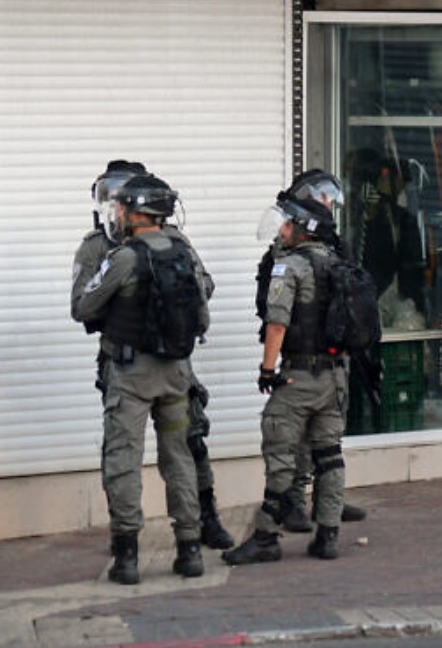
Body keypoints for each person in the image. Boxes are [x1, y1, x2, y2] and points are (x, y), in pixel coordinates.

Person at [72, 161, 233, 551]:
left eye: (121, 198)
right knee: (130, 450)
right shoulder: (96, 246)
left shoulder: (173, 240)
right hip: (125, 356)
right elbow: (81, 302)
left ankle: (205, 519)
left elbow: (205, 286)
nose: (116, 207)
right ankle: (167, 540)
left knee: (189, 443)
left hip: (168, 357)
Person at [224, 196, 348, 565]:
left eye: (289, 224)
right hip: (335, 377)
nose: (283, 230)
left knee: (279, 446)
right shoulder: (338, 264)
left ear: (304, 230)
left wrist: (267, 371)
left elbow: (277, 324)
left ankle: (265, 537)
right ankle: (328, 535)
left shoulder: (289, 267)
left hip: (300, 376)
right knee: (329, 454)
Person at [252, 169, 367, 533]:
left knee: (326, 436)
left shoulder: (333, 244)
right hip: (302, 356)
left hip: (332, 358)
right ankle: (296, 502)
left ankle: (326, 502)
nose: (329, 203)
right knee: (298, 436)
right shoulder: (284, 248)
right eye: (323, 196)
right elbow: (272, 309)